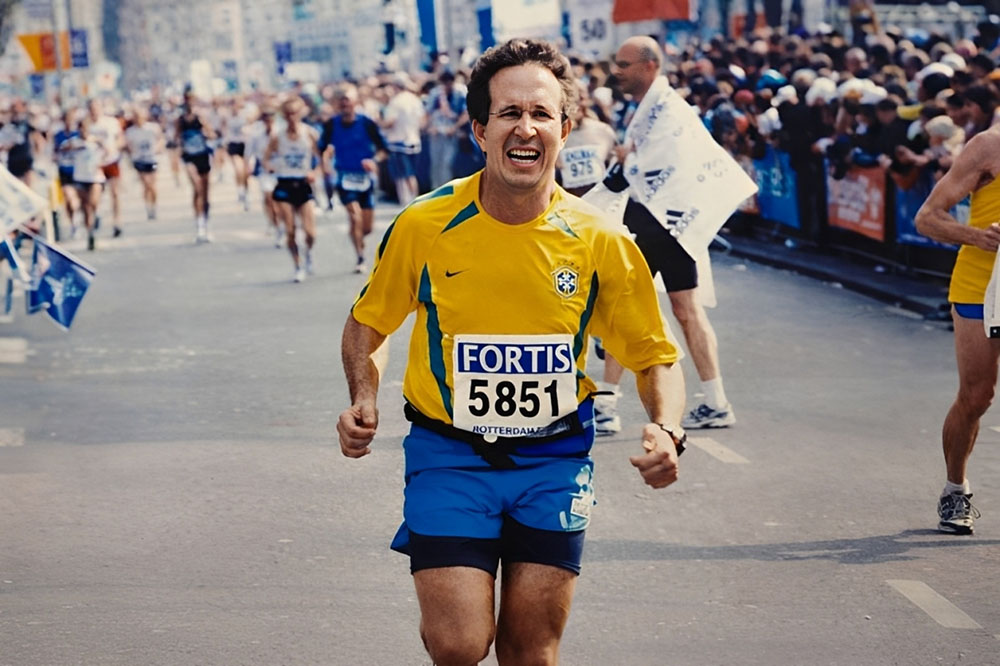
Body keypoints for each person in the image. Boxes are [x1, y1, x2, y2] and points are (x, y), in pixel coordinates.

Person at [337, 38, 687, 666]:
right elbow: (369, 322)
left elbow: (654, 353)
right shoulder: (424, 225)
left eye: (541, 114)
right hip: (449, 453)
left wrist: (667, 427)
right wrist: (363, 396)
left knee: (531, 652)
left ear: (565, 128)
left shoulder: (600, 238)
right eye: (509, 114)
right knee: (459, 643)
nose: (526, 128)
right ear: (479, 129)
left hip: (553, 458)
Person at [595, 36, 736, 435]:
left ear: (649, 66)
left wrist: (628, 158)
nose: (617, 72)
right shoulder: (651, 108)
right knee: (676, 310)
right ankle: (715, 402)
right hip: (660, 222)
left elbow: (663, 162)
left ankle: (608, 404)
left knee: (628, 304)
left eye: (624, 65)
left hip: (663, 223)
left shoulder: (669, 109)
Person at [914, 123, 1000, 535]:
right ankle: (955, 489)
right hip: (981, 285)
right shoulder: (988, 146)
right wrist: (979, 237)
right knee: (977, 395)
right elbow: (927, 218)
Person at [319, 85, 387, 274]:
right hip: (344, 177)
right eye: (342, 102)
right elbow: (321, 147)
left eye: (348, 100)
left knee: (366, 227)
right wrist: (325, 163)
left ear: (355, 102)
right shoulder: (331, 125)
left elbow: (383, 150)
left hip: (365, 178)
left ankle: (357, 236)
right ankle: (360, 256)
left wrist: (374, 161)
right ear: (337, 105)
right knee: (354, 216)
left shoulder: (366, 123)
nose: (345, 105)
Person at [264, 98, 321, 283]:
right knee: (290, 230)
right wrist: (271, 167)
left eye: (294, 113)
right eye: (287, 114)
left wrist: (315, 172)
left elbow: (322, 158)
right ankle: (298, 265)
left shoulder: (310, 133)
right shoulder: (277, 136)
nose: (291, 118)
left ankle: (309, 253)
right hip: (285, 184)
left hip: (303, 184)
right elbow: (265, 158)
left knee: (310, 232)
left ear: (300, 113)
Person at [380, 73, 425, 205]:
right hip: (414, 141)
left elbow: (390, 122)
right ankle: (415, 200)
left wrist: (379, 123)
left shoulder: (396, 101)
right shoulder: (415, 100)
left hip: (399, 142)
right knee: (411, 174)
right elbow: (422, 121)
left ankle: (407, 202)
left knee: (402, 175)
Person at [177, 90, 216, 242]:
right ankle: (199, 224)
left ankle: (205, 221)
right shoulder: (180, 119)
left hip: (202, 155)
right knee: (197, 187)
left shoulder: (200, 117)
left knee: (205, 192)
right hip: (189, 157)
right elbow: (176, 136)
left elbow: (211, 133)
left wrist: (207, 133)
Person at [86, 99, 125, 237]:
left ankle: (117, 222)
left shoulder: (111, 122)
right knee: (96, 196)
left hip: (111, 161)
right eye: (92, 108)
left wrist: (116, 147)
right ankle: (98, 214)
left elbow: (120, 138)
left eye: (97, 107)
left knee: (115, 193)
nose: (94, 110)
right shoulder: (86, 125)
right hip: (94, 164)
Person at [124, 106, 164, 220]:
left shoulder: (153, 128)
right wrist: (130, 153)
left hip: (152, 159)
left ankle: (154, 206)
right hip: (139, 160)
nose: (138, 118)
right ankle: (148, 207)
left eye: (140, 116)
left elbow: (161, 139)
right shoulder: (130, 131)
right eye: (135, 116)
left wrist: (158, 147)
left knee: (153, 186)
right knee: (146, 184)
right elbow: (127, 146)